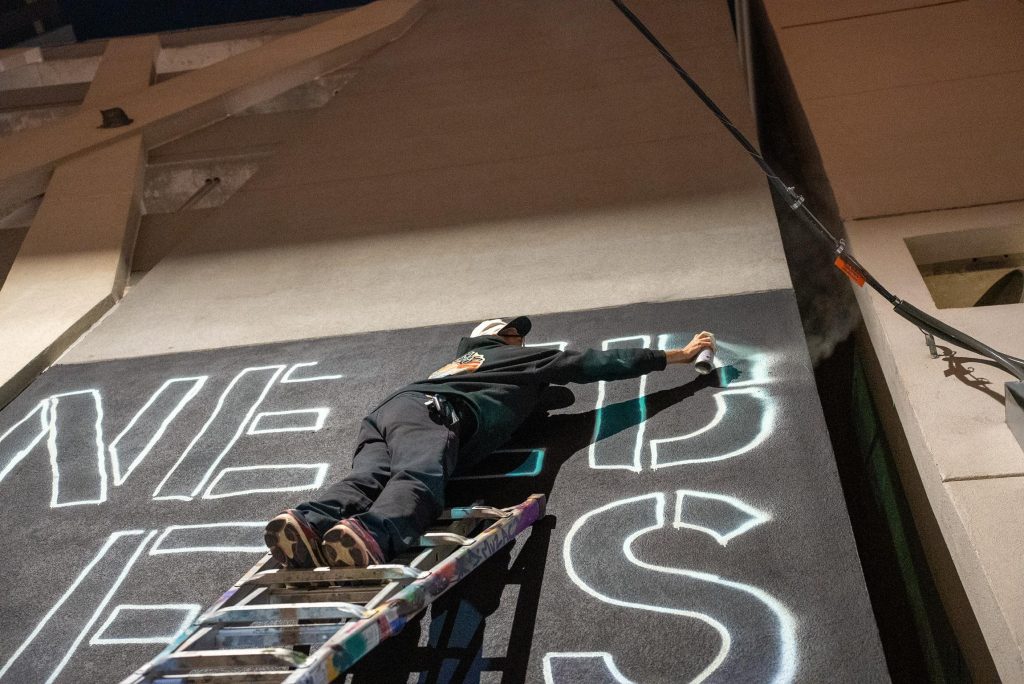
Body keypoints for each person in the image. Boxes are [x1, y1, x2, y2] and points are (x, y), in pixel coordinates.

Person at [264, 316, 715, 568]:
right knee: (418, 476)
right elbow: (591, 363)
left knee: (367, 478)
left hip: (390, 410)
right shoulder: (513, 357)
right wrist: (675, 355)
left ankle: (308, 521)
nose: (524, 341)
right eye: (517, 335)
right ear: (500, 338)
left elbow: (545, 397)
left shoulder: (466, 364)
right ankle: (372, 534)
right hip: (434, 413)